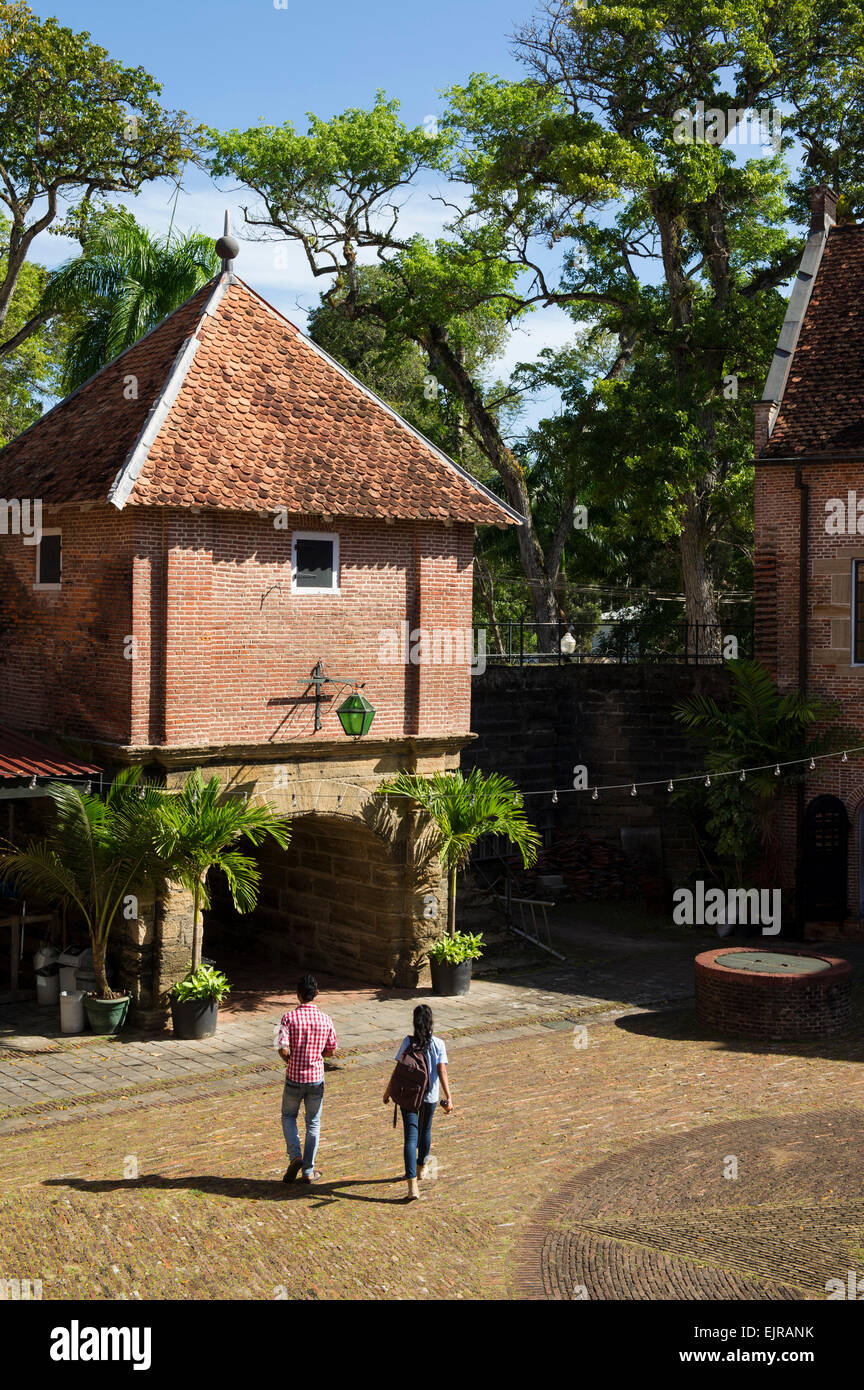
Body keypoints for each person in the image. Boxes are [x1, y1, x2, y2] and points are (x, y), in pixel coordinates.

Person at [383, 1003, 452, 1201]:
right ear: (431, 1022)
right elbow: (442, 1071)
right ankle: (422, 1167)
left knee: (410, 1138)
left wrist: (388, 1092)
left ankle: (412, 1185)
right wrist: (449, 1097)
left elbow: (398, 1071)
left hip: (408, 1096)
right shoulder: (438, 1044)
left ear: (414, 1022)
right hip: (430, 1097)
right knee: (426, 1131)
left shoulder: (408, 1041)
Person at [277, 974, 337, 1184]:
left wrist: (291, 1061)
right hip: (316, 1079)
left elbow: (283, 1048)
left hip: (294, 1077)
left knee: (288, 1116)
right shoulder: (325, 1019)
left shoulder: (289, 1018)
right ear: (317, 994)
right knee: (313, 1123)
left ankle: (295, 1156)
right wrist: (318, 1055)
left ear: (297, 994)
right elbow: (331, 1050)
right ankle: (309, 1171)